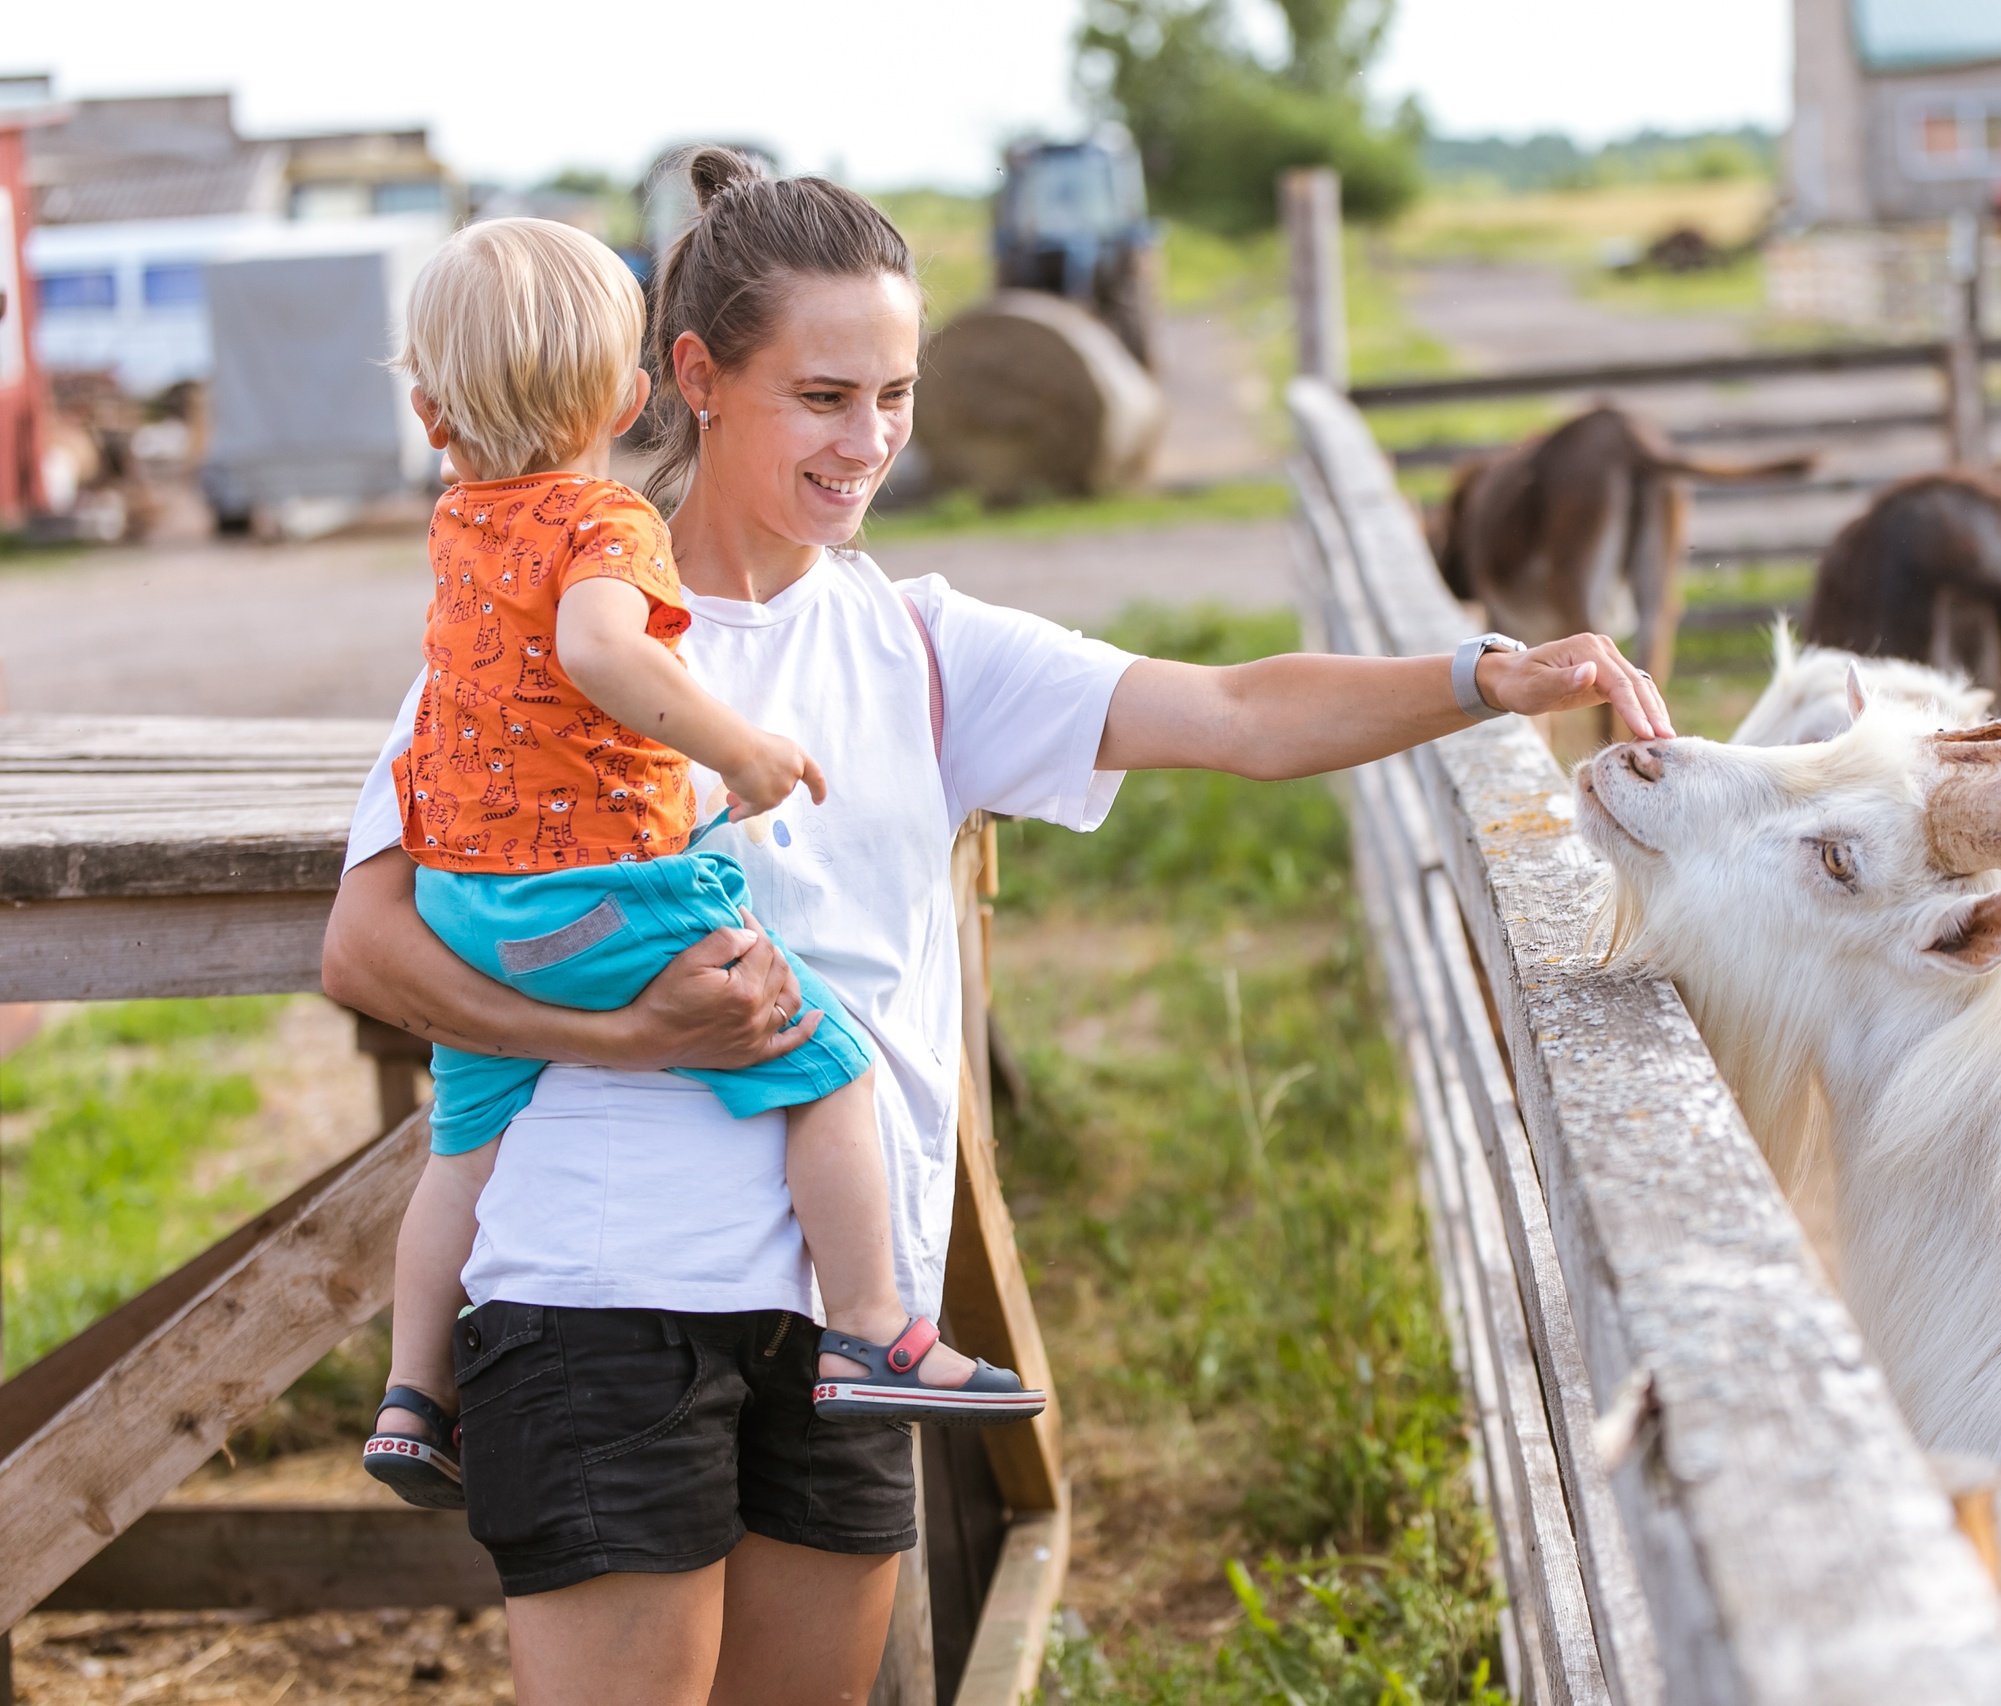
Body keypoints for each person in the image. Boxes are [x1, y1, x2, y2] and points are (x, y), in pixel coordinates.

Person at [322, 147, 1671, 1706]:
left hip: (849, 1317)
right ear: (691, 376)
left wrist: (1477, 676)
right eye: (826, 395)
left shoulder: (917, 642)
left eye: (896, 394)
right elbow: (367, 950)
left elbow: (1232, 709)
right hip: (603, 1300)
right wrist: (621, 1034)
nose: (871, 441)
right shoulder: (545, 637)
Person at [361, 219, 1037, 1512]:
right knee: (825, 1055)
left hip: (468, 906)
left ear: (429, 411)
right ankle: (872, 1321)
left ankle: (409, 1391)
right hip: (591, 893)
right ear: (635, 393)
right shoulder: (607, 523)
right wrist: (743, 750)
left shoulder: (459, 532)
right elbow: (612, 656)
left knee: (461, 1139)